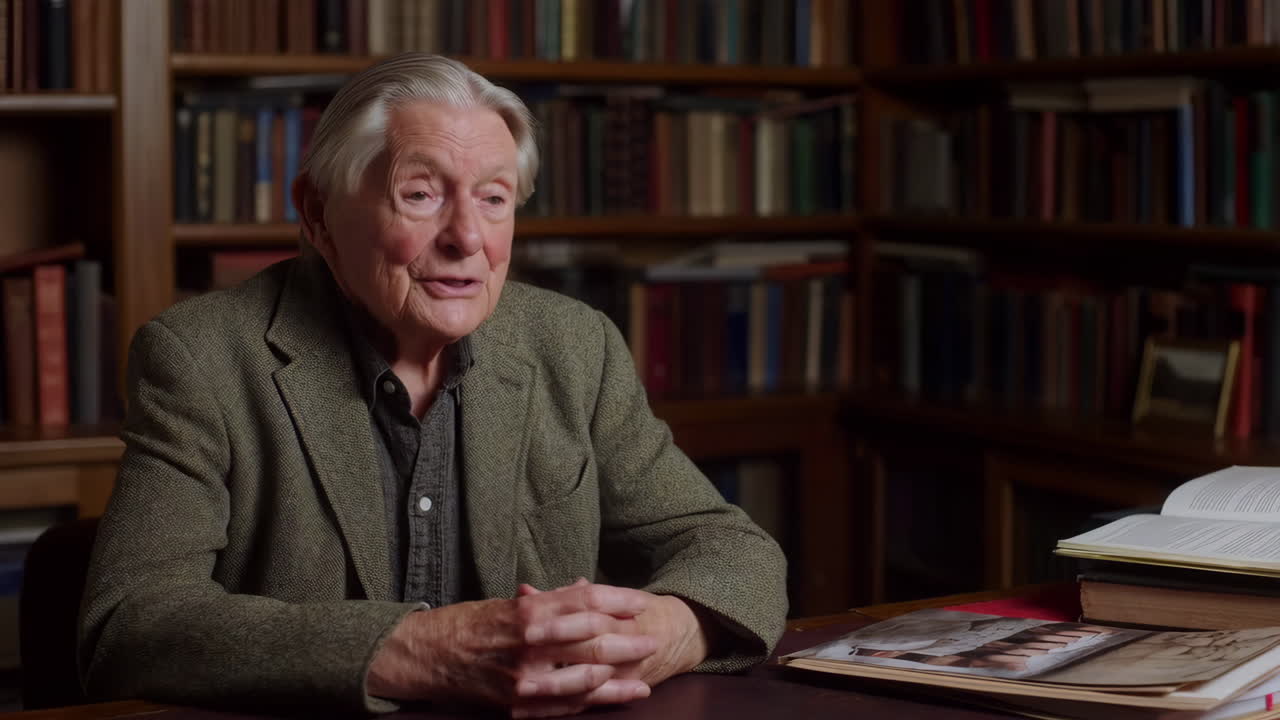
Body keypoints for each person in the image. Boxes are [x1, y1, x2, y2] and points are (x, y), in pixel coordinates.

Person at [77, 54, 787, 718]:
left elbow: (735, 552)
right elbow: (131, 623)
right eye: (420, 195)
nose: (467, 237)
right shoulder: (202, 358)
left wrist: (667, 628)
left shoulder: (574, 346)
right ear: (318, 213)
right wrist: (419, 650)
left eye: (494, 199)